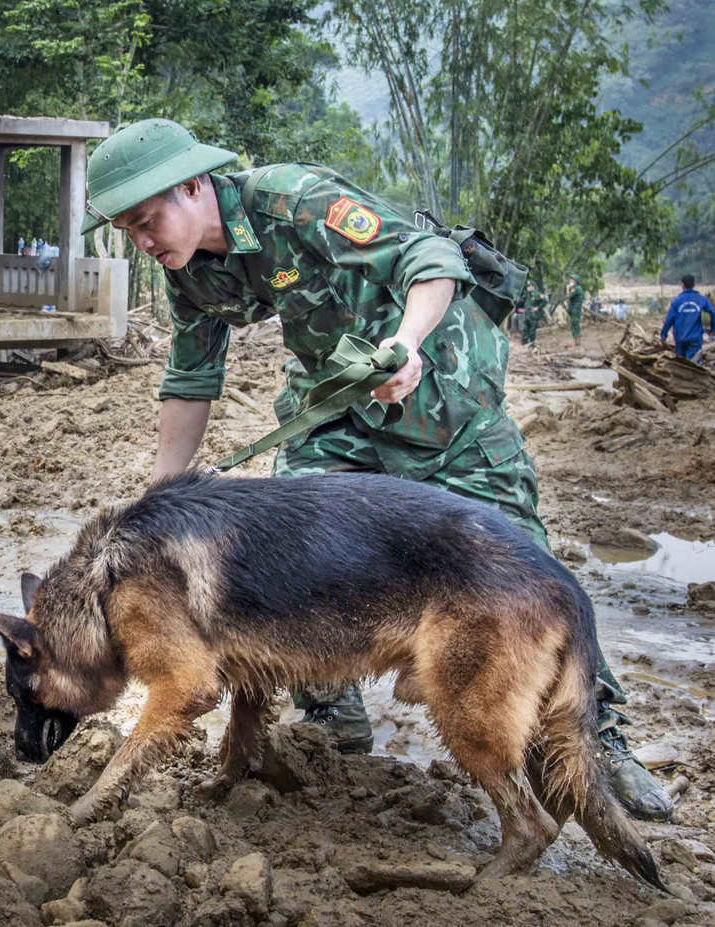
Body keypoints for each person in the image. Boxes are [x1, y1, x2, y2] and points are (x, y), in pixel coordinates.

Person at [80, 118, 672, 821]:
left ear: (193, 184)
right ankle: (331, 717)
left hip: (447, 402)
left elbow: (429, 257)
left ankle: (602, 741)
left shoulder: (294, 200)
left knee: (522, 572)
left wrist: (408, 341)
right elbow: (191, 375)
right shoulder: (192, 271)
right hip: (342, 408)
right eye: (128, 230)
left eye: (147, 221)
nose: (143, 242)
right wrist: (161, 496)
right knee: (289, 543)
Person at [661, 275, 714, 361]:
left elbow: (669, 319)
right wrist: (713, 330)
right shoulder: (701, 299)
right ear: (693, 284)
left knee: (681, 364)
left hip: (680, 337)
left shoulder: (676, 301)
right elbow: (713, 313)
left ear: (682, 285)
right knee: (694, 364)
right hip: (695, 338)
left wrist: (663, 335)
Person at [521, 280, 547, 346]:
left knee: (532, 329)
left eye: (529, 286)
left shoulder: (538, 294)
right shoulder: (527, 294)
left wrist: (538, 308)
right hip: (527, 314)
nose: (528, 287)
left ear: (533, 286)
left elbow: (545, 301)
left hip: (533, 315)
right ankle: (525, 343)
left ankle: (531, 343)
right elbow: (521, 301)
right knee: (525, 329)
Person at [565, 275, 585, 347]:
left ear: (575, 281)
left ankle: (574, 342)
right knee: (576, 324)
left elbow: (568, 296)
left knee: (574, 325)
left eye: (572, 280)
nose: (570, 281)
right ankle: (577, 341)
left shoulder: (576, 288)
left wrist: (567, 289)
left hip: (575, 310)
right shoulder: (578, 288)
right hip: (575, 309)